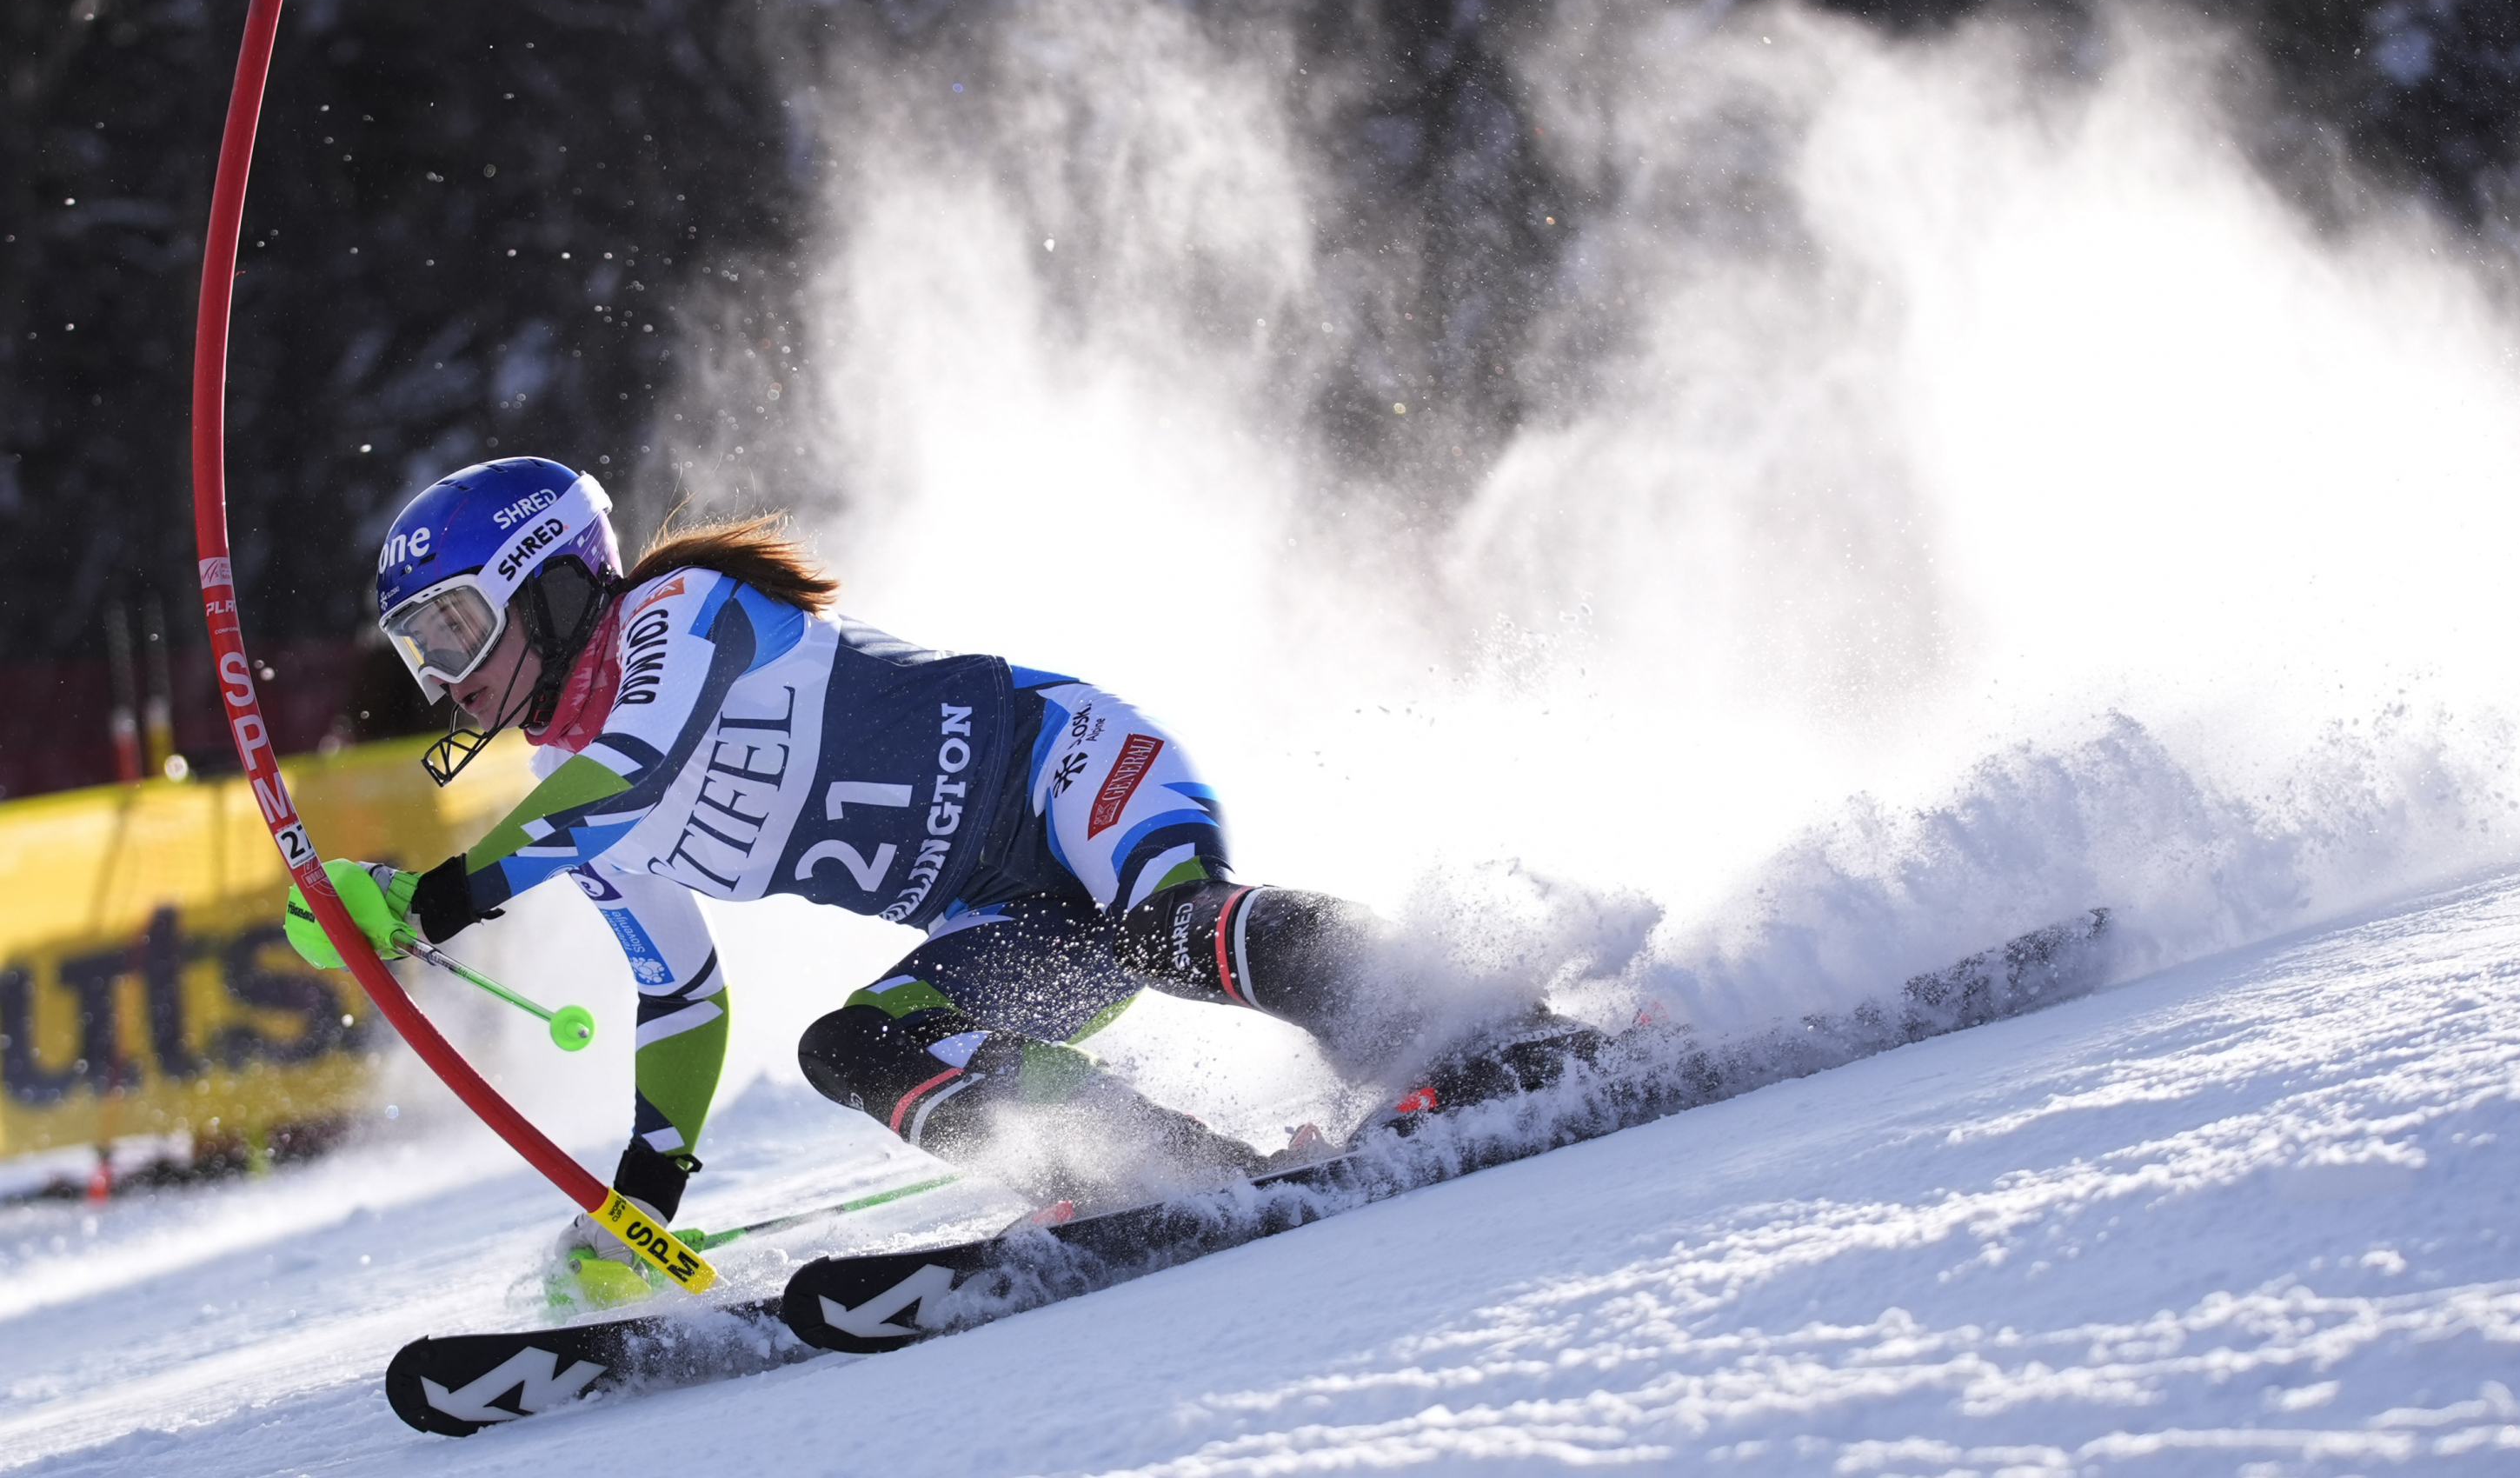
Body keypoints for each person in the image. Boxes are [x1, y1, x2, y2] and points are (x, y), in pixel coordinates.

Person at [286, 456, 1592, 1308]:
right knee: (849, 1041)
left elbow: (633, 767)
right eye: (419, 648)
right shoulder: (570, 809)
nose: (446, 678)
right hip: (1005, 915)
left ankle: (1476, 1020)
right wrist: (644, 1207)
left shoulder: (682, 614)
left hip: (1070, 771)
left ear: (553, 581)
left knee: (1172, 928)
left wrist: (431, 900)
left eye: (455, 627)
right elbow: (679, 1005)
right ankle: (1154, 1162)